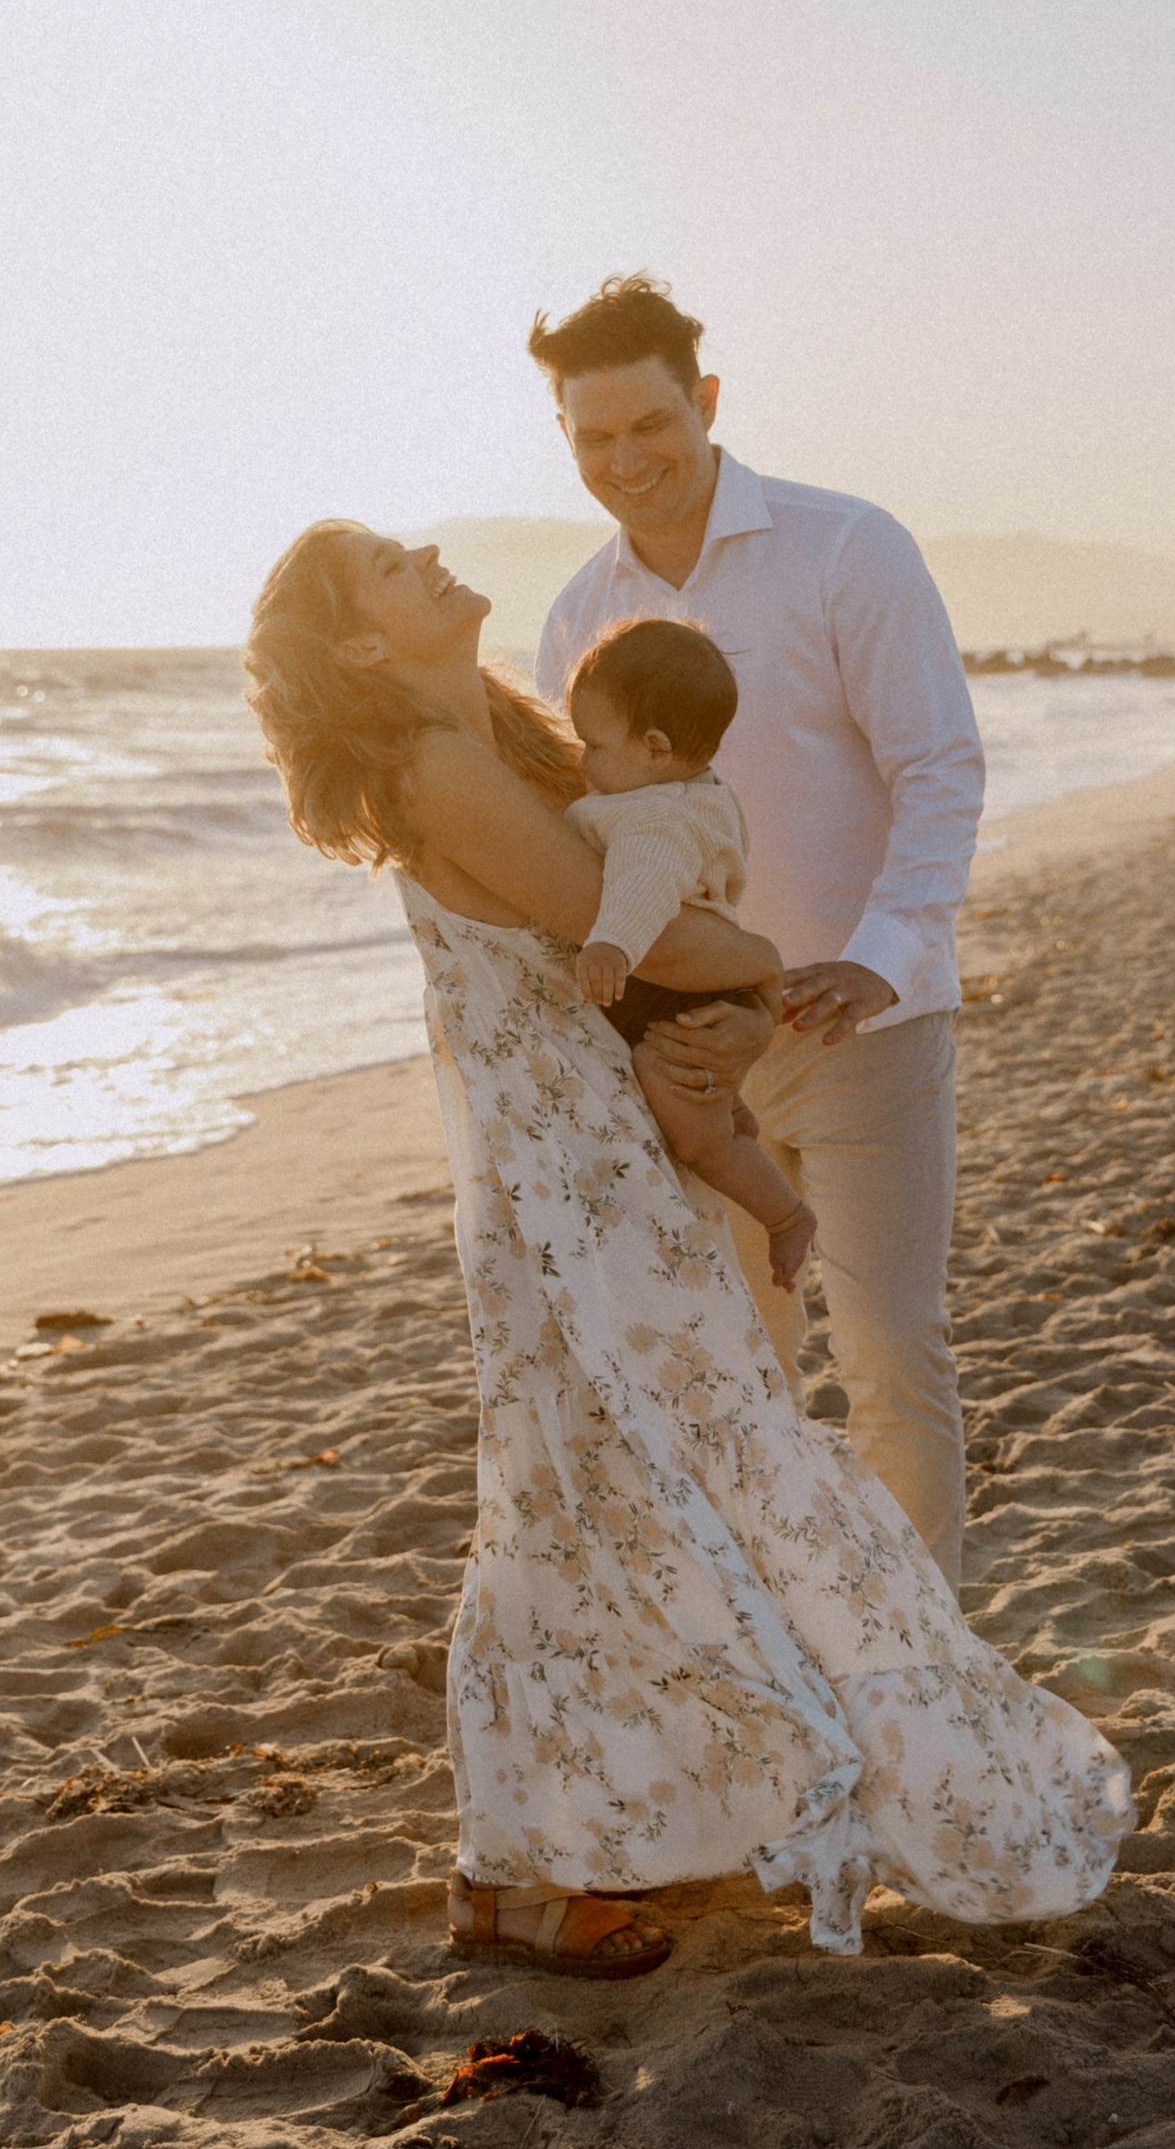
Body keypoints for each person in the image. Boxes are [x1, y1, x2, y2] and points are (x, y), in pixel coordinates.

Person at [244, 517, 1130, 1985]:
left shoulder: (517, 741)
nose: (433, 558)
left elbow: (655, 914)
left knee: (644, 1468)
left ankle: (619, 1821)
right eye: (396, 570)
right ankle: (508, 1869)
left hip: (600, 1149)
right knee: (593, 1478)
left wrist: (719, 970)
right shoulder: (434, 767)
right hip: (555, 1176)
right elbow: (642, 936)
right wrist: (765, 968)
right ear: (359, 647)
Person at [531, 273, 985, 1579]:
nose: (628, 460)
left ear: (707, 402)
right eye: (593, 438)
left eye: (650, 426)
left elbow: (939, 770)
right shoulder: (577, 619)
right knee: (740, 1371)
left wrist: (884, 960)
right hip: (693, 1067)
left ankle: (927, 1680)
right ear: (566, 440)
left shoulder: (848, 549)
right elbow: (599, 850)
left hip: (865, 1031)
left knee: (891, 1348)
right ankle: (798, 1658)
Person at [564, 616, 819, 1296]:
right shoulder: (695, 792)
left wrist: (610, 942)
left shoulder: (654, 817)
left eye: (592, 744)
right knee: (703, 1108)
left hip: (683, 995)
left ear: (653, 748)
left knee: (695, 1142)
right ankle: (731, 1115)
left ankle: (787, 1215)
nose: (581, 759)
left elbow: (645, 886)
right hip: (713, 986)